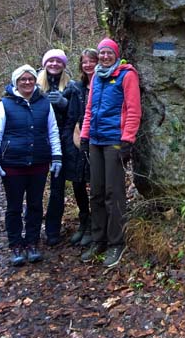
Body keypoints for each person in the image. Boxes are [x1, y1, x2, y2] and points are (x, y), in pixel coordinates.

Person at [0, 64, 62, 266]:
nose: (27, 82)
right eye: (23, 80)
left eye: (30, 79)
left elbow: (52, 132)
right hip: (13, 164)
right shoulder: (5, 104)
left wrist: (57, 156)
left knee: (36, 205)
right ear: (15, 82)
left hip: (39, 163)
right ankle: (16, 245)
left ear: (35, 81)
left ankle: (32, 242)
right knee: (14, 206)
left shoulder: (44, 103)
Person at [80, 38, 141, 268]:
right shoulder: (96, 76)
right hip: (95, 140)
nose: (105, 57)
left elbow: (134, 110)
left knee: (113, 192)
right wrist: (85, 137)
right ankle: (99, 239)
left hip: (115, 141)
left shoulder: (127, 75)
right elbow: (89, 110)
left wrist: (127, 140)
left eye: (109, 53)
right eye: (102, 53)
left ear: (116, 54)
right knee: (95, 191)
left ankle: (116, 242)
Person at [38, 48, 77, 246]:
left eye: (58, 61)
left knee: (57, 189)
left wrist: (64, 104)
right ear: (45, 63)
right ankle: (32, 229)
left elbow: (76, 116)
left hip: (60, 146)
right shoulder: (32, 84)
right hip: (36, 144)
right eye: (50, 61)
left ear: (64, 65)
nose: (54, 64)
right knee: (34, 189)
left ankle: (53, 230)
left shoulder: (70, 86)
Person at [65, 48, 98, 246]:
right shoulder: (76, 87)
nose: (88, 65)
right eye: (84, 62)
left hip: (97, 141)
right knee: (78, 183)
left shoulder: (103, 84)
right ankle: (83, 222)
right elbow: (65, 113)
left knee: (95, 184)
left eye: (91, 61)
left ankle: (95, 225)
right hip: (77, 140)